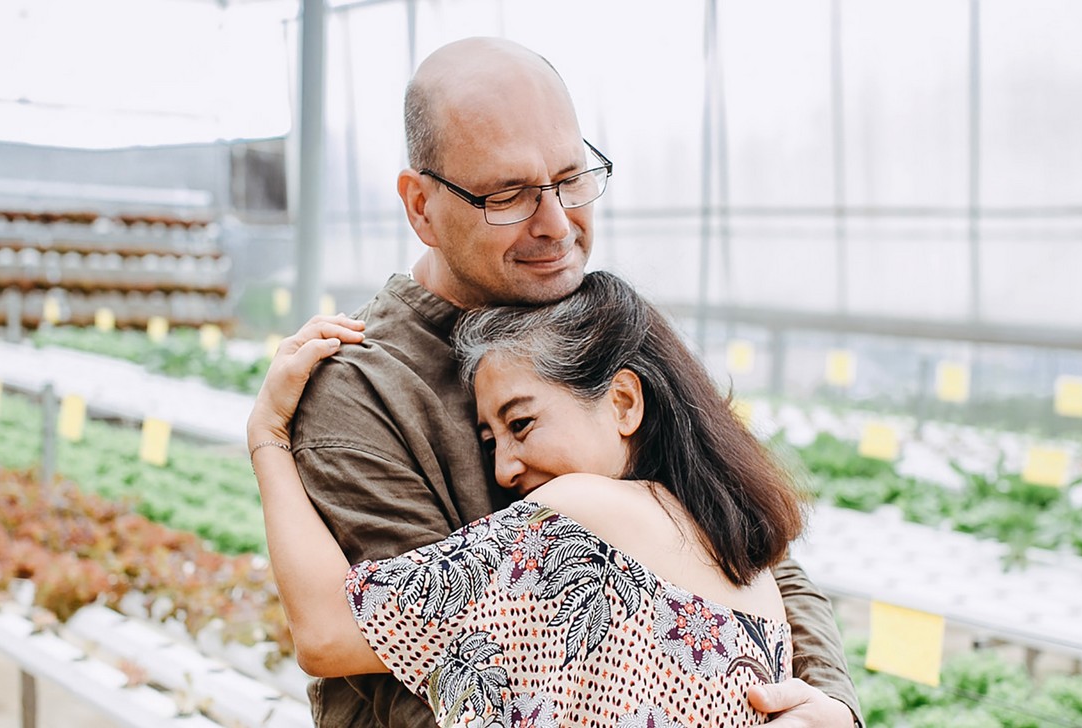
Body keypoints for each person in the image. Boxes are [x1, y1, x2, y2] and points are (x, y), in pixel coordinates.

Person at [278, 36, 862, 727]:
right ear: (421, 206)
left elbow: (742, 531)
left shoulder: (595, 321)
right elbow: (416, 676)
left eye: (570, 178)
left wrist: (826, 706)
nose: (557, 224)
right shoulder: (361, 387)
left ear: (623, 401)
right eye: (508, 196)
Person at [250, 271, 810, 726]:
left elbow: (327, 633)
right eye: (490, 439)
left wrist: (268, 436)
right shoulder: (757, 586)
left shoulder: (577, 520)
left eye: (522, 422)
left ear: (622, 402)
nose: (504, 466)